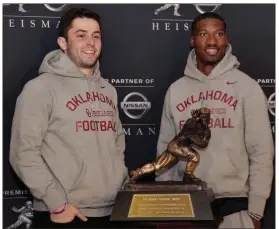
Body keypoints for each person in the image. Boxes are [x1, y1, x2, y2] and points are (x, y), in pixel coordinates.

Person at [9, 7, 128, 228]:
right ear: (63, 43)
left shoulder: (108, 90)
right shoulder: (40, 89)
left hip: (112, 210)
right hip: (65, 214)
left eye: (96, 36)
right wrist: (58, 203)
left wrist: (117, 178)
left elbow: (117, 141)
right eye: (81, 35)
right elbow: (23, 154)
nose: (91, 43)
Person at [155, 12, 274, 229]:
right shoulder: (176, 90)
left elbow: (262, 151)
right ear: (193, 40)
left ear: (226, 39)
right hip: (186, 202)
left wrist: (256, 211)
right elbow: (166, 149)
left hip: (235, 203)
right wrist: (165, 203)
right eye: (203, 34)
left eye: (218, 34)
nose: (212, 41)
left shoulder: (246, 87)